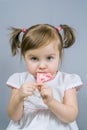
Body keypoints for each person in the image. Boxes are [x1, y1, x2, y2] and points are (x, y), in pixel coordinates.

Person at [6, 24, 83, 130]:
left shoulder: (67, 81)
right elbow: (14, 116)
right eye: (34, 59)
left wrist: (51, 102)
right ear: (24, 56)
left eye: (49, 58)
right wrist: (19, 97)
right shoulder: (20, 81)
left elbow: (71, 117)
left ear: (60, 55)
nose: (42, 66)